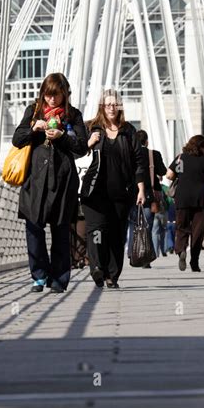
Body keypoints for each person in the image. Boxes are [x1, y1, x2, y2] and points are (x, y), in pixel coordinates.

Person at [12, 73, 88, 293]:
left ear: (65, 94)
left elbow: (82, 147)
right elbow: (17, 139)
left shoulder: (73, 116)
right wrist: (34, 128)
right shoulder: (34, 111)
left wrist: (62, 136)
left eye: (56, 95)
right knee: (33, 227)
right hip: (35, 180)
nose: (52, 100)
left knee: (61, 230)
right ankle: (38, 275)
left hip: (63, 181)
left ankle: (58, 279)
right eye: (48, 95)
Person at [81, 89, 146, 289]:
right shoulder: (91, 127)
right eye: (107, 104)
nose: (111, 108)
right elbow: (76, 151)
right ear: (102, 106)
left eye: (114, 105)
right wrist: (88, 143)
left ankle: (112, 275)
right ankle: (97, 267)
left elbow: (138, 162)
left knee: (117, 235)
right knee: (96, 231)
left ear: (119, 107)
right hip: (95, 191)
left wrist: (141, 189)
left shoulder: (129, 132)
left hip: (121, 193)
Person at [166, 134, 204, 273]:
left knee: (181, 227)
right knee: (198, 232)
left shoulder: (181, 158)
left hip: (182, 198)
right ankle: (194, 262)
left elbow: (169, 175)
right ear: (200, 147)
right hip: (201, 200)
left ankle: (181, 250)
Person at [128, 129, 168, 265]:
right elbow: (163, 171)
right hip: (148, 194)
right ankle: (145, 256)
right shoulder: (153, 154)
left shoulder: (130, 153)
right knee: (147, 225)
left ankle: (132, 253)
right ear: (147, 141)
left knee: (133, 224)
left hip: (130, 193)